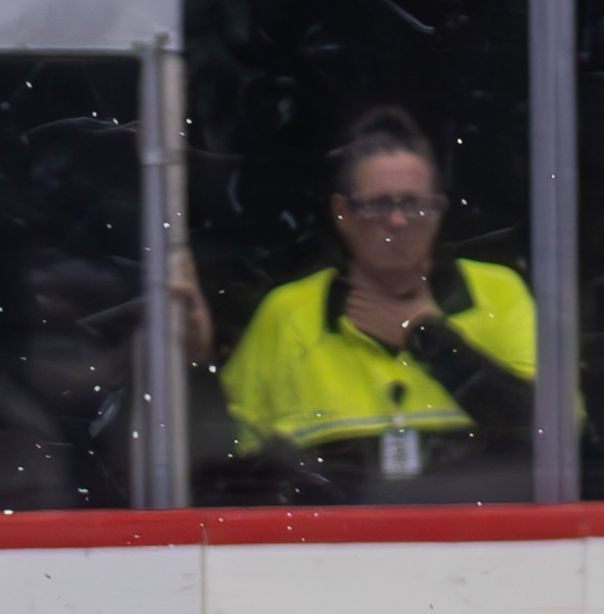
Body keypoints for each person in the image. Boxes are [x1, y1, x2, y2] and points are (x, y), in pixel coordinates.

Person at [216, 107, 536, 497]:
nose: (398, 221)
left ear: (439, 210)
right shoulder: (287, 314)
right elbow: (232, 464)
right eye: (379, 205)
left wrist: (430, 340)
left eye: (414, 205)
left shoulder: (500, 294)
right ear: (342, 212)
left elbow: (554, 438)